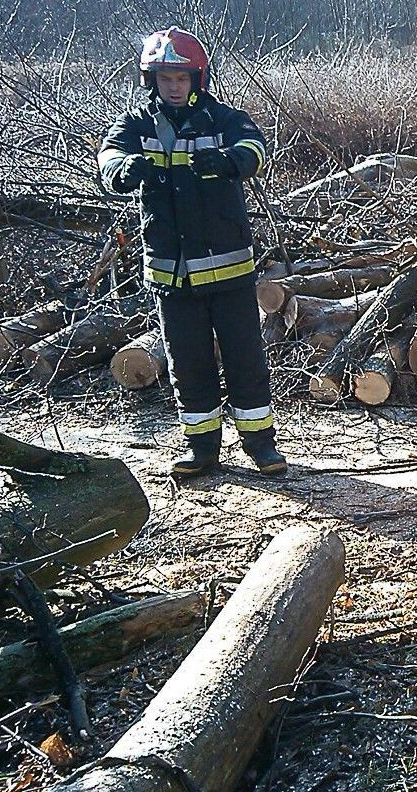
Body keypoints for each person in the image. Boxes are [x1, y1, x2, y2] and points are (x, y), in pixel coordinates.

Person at [98, 27, 284, 477]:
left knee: (245, 359)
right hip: (171, 274)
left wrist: (230, 161)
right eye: (165, 78)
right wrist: (122, 169)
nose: (174, 87)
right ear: (151, 80)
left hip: (228, 270)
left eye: (181, 78)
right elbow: (108, 157)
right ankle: (202, 449)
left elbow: (255, 148)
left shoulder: (223, 119)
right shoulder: (137, 124)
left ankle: (261, 445)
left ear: (197, 79)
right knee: (188, 364)